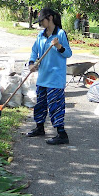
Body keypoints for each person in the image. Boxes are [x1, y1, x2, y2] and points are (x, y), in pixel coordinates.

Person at [26, 8, 72, 145]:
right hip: (42, 77)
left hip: (55, 78)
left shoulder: (60, 34)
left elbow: (68, 54)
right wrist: (31, 64)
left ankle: (62, 134)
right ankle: (39, 128)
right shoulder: (40, 35)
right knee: (40, 104)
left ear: (50, 18)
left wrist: (59, 46)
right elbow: (34, 51)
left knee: (55, 106)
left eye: (42, 21)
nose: (40, 24)